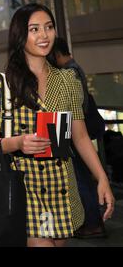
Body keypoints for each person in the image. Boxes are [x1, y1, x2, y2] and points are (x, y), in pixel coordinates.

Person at [0, 3, 114, 247]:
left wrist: (101, 177)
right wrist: (18, 142)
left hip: (61, 184)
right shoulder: (1, 86)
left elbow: (80, 136)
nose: (44, 35)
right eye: (34, 29)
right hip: (25, 186)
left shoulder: (67, 81)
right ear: (20, 35)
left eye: (49, 27)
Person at [54, 37, 107, 238]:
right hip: (76, 128)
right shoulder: (75, 68)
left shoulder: (69, 72)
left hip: (73, 129)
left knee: (80, 178)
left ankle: (92, 222)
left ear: (56, 54)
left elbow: (77, 108)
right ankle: (92, 221)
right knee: (82, 177)